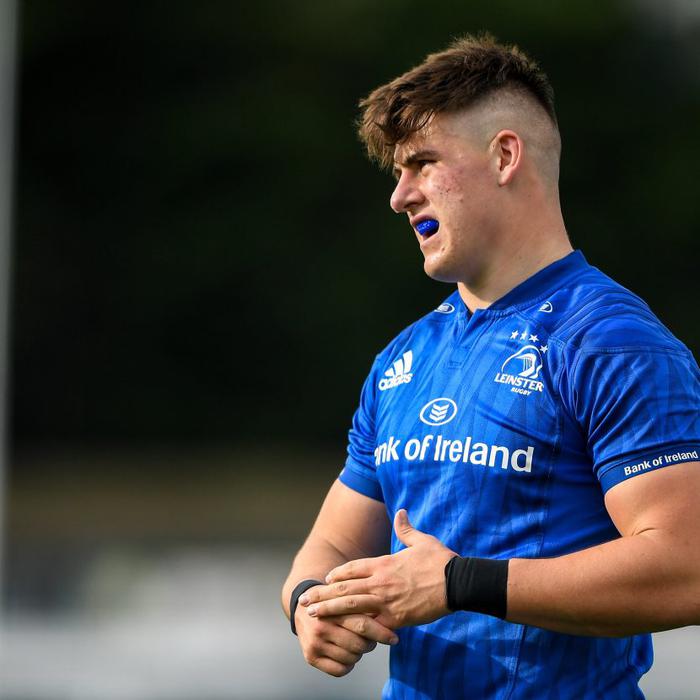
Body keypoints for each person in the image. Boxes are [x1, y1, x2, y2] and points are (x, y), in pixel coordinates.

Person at [281, 34, 700, 698]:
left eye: (422, 164)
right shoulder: (405, 356)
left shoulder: (614, 343)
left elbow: (687, 570)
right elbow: (331, 547)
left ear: (505, 156)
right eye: (398, 173)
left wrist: (460, 583)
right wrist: (311, 602)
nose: (400, 196)